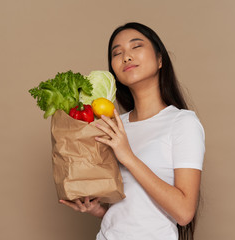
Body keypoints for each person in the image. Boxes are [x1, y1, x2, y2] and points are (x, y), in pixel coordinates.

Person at [59, 22, 205, 240]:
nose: (126, 57)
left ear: (160, 60)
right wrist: (96, 210)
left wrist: (128, 156)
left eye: (136, 47)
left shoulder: (182, 123)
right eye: (117, 53)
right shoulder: (113, 124)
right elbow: (130, 210)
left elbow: (184, 213)